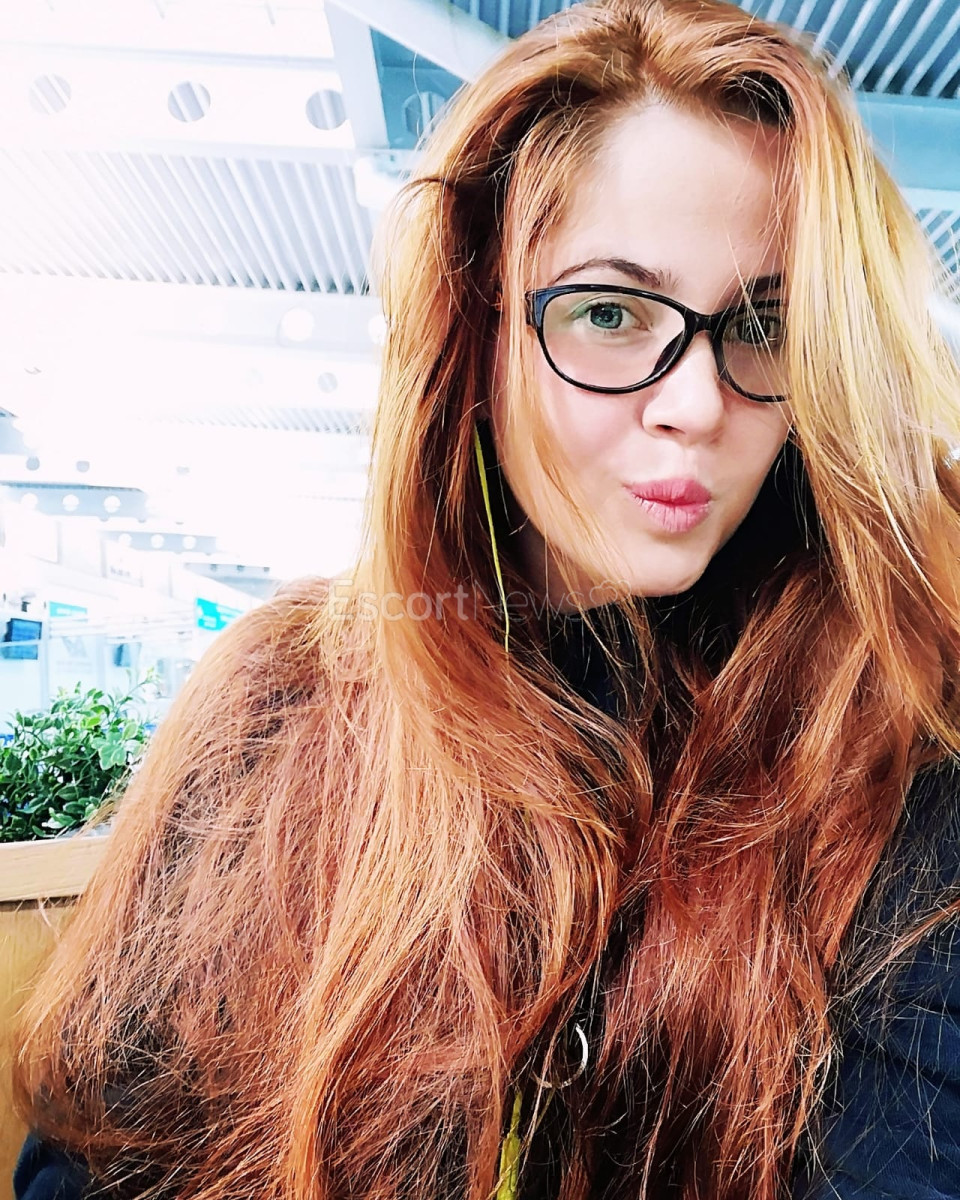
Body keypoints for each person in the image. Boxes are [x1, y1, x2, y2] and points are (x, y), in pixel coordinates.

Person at [12, 0, 960, 1197]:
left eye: (766, 323)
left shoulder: (880, 743)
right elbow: (98, 1156)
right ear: (481, 323)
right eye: (610, 313)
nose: (697, 404)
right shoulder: (281, 704)